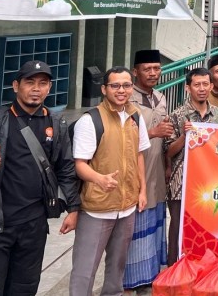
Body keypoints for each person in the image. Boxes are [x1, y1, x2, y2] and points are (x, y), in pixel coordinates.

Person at [0, 60, 80, 296]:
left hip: (33, 226)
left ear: (49, 88)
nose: (36, 89)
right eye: (30, 82)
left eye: (43, 83)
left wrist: (73, 207)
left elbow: (65, 167)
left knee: (24, 289)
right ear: (16, 86)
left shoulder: (56, 124)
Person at [70, 67, 150, 296]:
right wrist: (99, 179)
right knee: (84, 273)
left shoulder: (135, 116)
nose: (121, 90)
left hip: (126, 208)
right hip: (97, 208)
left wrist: (142, 190)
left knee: (117, 271)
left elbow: (139, 155)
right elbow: (80, 164)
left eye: (126, 85)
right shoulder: (91, 120)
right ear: (104, 89)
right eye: (115, 86)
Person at [165, 67, 218, 265]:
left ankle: (205, 267)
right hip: (180, 182)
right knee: (178, 226)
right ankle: (175, 268)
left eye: (205, 84)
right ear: (187, 88)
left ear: (211, 86)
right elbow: (168, 152)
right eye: (197, 84)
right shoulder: (176, 115)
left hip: (209, 182)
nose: (202, 89)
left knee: (208, 226)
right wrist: (184, 136)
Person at [125, 49, 174, 291]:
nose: (153, 73)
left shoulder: (161, 98)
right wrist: (153, 133)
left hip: (156, 173)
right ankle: (130, 281)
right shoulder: (126, 100)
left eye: (156, 68)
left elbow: (164, 139)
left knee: (154, 226)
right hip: (134, 173)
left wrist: (167, 166)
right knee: (134, 229)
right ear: (136, 72)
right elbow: (120, 138)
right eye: (147, 69)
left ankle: (150, 276)